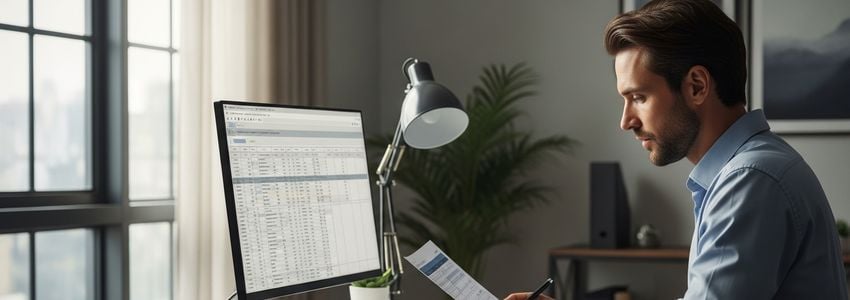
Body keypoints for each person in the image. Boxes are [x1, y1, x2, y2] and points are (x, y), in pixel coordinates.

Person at [505, 0, 848, 299]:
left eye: (638, 97)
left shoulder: (749, 180)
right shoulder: (752, 169)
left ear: (697, 86)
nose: (626, 121)